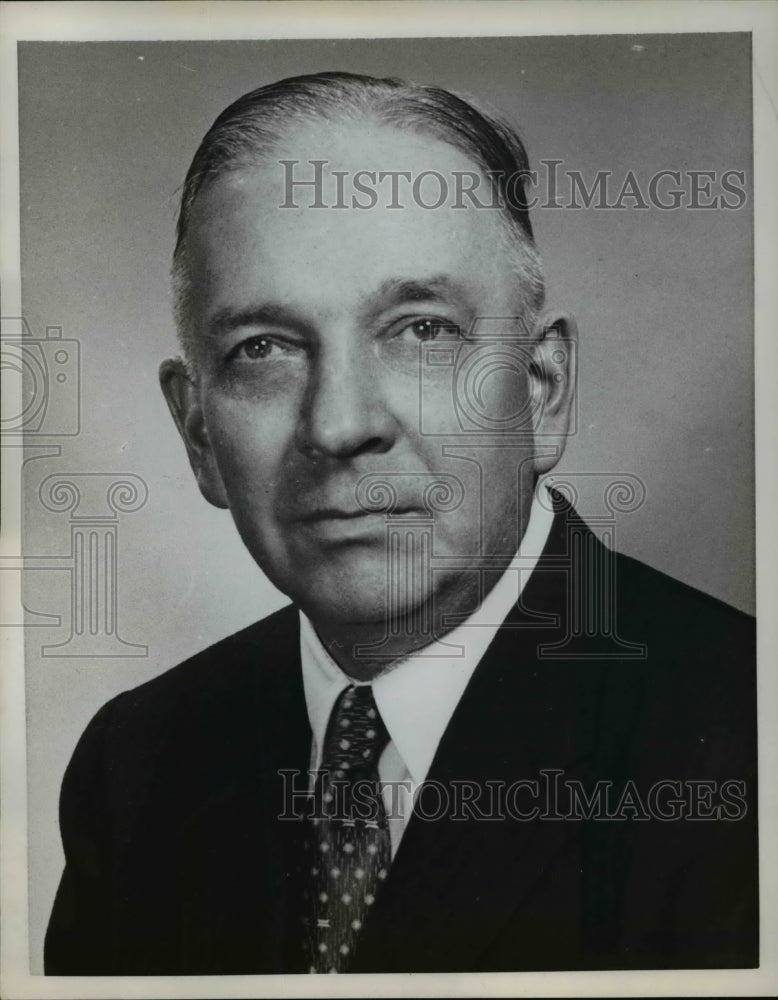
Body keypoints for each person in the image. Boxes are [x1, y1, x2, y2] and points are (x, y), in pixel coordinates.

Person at [44, 72, 757, 975]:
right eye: (263, 349)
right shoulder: (137, 764)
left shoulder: (745, 737)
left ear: (542, 391)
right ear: (198, 434)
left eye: (422, 331)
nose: (340, 425)